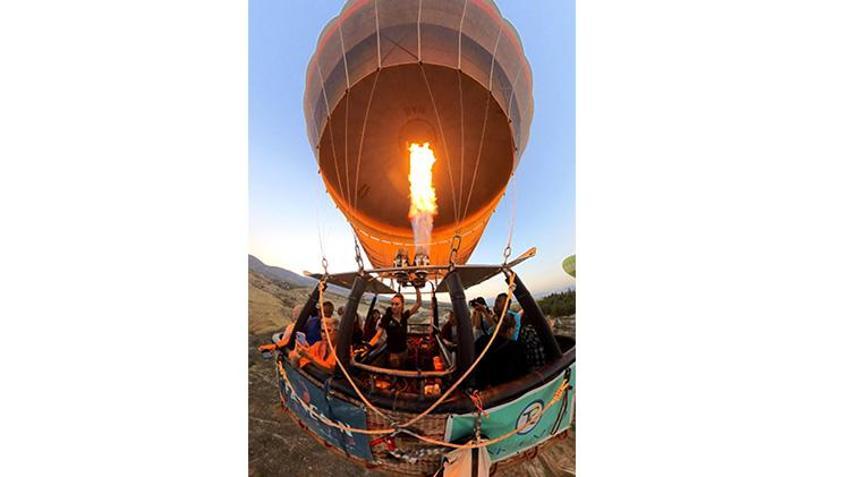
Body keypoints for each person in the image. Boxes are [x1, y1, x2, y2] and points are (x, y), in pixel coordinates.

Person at [368, 288, 421, 369]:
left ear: (402, 305)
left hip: (404, 350)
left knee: (403, 368)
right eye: (392, 304)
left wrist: (416, 287)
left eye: (397, 304)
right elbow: (378, 335)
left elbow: (418, 304)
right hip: (393, 353)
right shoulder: (387, 318)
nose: (394, 307)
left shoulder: (404, 316)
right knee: (395, 372)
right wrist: (367, 346)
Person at [473, 312, 527, 387]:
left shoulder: (481, 341)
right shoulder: (517, 348)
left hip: (484, 391)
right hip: (509, 390)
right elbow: (524, 373)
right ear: (510, 329)